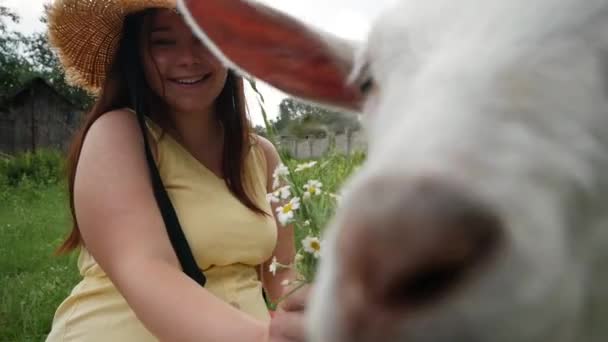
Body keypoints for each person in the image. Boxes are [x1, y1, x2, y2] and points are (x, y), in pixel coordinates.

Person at [45, 0, 307, 341]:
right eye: (163, 42)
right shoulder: (117, 135)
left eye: (203, 36)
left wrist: (328, 307)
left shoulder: (263, 155)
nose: (188, 58)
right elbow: (146, 270)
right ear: (136, 55)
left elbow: (282, 275)